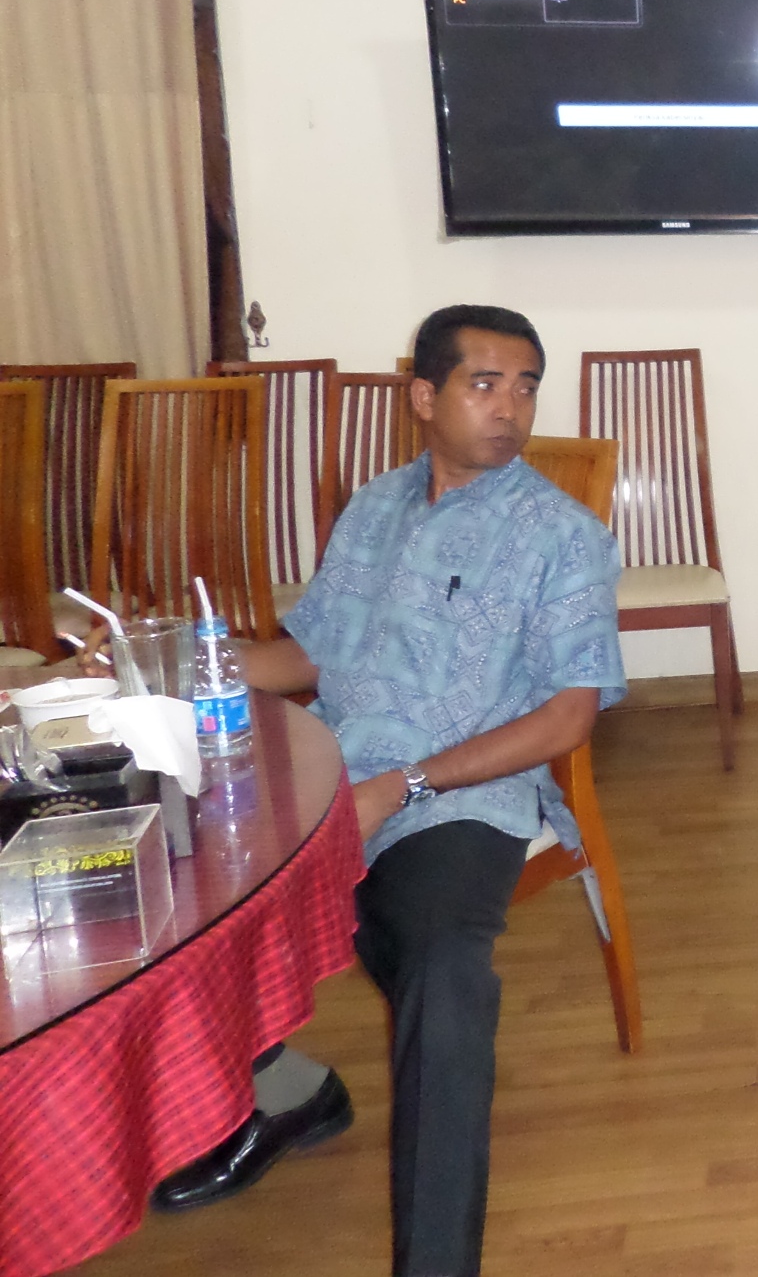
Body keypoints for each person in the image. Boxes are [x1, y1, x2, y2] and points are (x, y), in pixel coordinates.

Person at [152, 305, 626, 1277]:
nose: (510, 408)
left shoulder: (560, 537)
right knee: (164, 872)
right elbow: (308, 655)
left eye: (526, 384)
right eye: (483, 383)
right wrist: (186, 661)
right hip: (324, 779)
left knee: (446, 973)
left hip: (451, 799)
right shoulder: (371, 508)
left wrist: (401, 786)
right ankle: (283, 1090)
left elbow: (569, 718)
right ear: (423, 395)